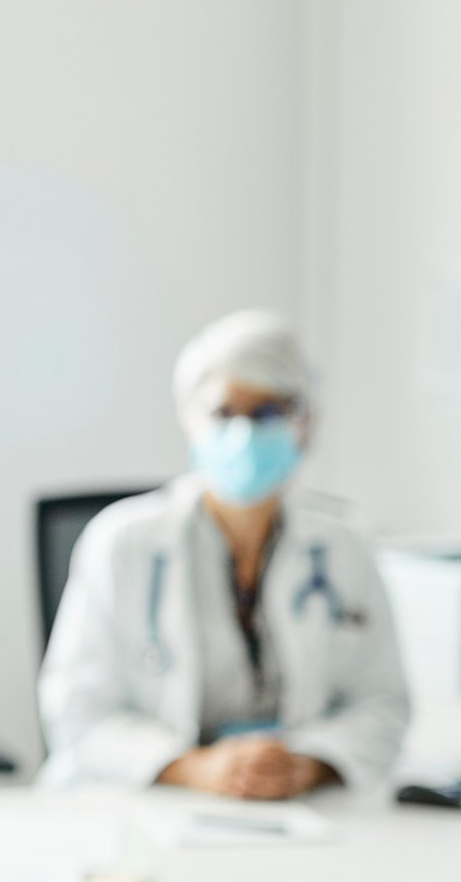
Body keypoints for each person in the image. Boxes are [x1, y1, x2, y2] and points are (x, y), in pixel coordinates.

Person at [39, 310, 411, 797]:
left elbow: (383, 703)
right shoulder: (123, 543)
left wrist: (306, 765)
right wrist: (195, 769)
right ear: (190, 419)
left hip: (302, 807)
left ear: (306, 424)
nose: (244, 433)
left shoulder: (346, 547)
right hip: (151, 804)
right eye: (223, 412)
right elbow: (78, 713)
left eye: (268, 412)